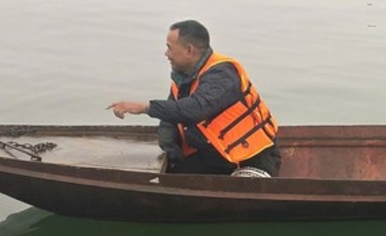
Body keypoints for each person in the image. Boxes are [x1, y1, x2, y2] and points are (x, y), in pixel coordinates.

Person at [107, 19, 281, 176]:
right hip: (213, 156)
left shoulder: (223, 74)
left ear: (189, 50)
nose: (166, 53)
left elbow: (195, 109)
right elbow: (169, 120)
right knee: (171, 180)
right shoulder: (182, 78)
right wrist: (172, 153)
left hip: (251, 158)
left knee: (240, 195)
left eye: (169, 47)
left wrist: (145, 107)